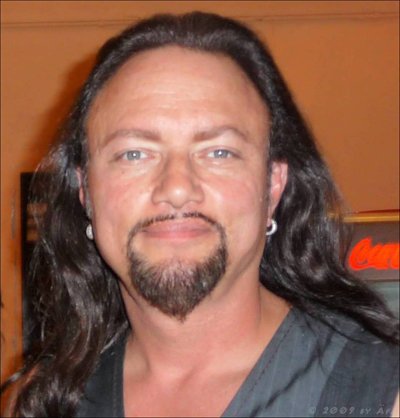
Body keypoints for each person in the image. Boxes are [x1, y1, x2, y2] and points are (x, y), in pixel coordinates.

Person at [2, 12, 399, 418]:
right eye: (134, 154)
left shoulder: (382, 392)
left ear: (273, 187)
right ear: (85, 192)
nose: (177, 187)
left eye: (219, 152)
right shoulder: (40, 402)